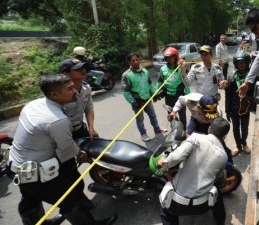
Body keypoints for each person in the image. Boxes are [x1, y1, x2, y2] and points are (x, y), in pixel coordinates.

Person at [8, 74, 116, 224]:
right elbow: (66, 150)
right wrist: (80, 154)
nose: (75, 92)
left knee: (30, 199)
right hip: (38, 172)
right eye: (70, 89)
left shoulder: (34, 105)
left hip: (17, 167)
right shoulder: (57, 120)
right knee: (69, 199)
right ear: (54, 94)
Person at [157, 117, 229, 225]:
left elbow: (176, 158)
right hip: (203, 207)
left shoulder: (195, 138)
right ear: (224, 137)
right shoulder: (224, 156)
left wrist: (164, 162)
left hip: (178, 205)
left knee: (166, 213)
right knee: (217, 191)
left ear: (209, 129)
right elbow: (218, 177)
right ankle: (221, 221)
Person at [121, 52, 166, 142]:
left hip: (147, 98)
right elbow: (126, 92)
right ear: (129, 63)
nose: (136, 62)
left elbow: (149, 84)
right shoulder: (126, 75)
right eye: (133, 61)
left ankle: (157, 129)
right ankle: (143, 134)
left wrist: (154, 94)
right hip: (137, 101)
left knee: (152, 115)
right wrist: (133, 102)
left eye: (137, 60)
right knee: (140, 119)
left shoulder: (145, 71)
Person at [59, 58, 99, 139]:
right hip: (64, 133)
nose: (83, 70)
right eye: (78, 69)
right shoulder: (60, 93)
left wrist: (91, 128)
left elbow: (89, 109)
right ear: (66, 73)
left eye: (83, 68)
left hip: (81, 129)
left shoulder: (86, 88)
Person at [225, 51, 254, 156]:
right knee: (235, 128)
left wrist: (248, 99)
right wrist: (227, 111)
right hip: (234, 108)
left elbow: (254, 94)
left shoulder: (250, 78)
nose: (241, 64)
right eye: (239, 63)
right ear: (236, 64)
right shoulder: (231, 77)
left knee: (245, 128)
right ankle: (238, 146)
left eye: (243, 62)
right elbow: (228, 95)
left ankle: (244, 143)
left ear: (247, 63)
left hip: (245, 108)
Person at [155, 47, 190, 129]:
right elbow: (160, 82)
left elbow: (187, 83)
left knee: (182, 115)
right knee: (171, 114)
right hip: (168, 96)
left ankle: (184, 130)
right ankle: (174, 128)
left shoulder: (181, 67)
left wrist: (188, 94)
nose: (170, 59)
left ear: (176, 57)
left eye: (172, 56)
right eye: (168, 57)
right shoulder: (163, 69)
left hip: (179, 95)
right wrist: (156, 92)